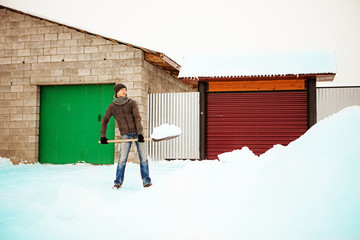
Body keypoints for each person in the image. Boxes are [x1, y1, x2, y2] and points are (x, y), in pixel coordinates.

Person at [100, 83, 152, 189]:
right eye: (122, 90)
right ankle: (117, 182)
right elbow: (105, 120)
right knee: (122, 159)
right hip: (125, 135)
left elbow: (137, 118)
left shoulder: (131, 103)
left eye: (125, 89)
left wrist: (140, 133)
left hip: (138, 133)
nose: (124, 91)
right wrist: (103, 136)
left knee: (143, 158)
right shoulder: (112, 106)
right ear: (117, 92)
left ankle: (146, 181)